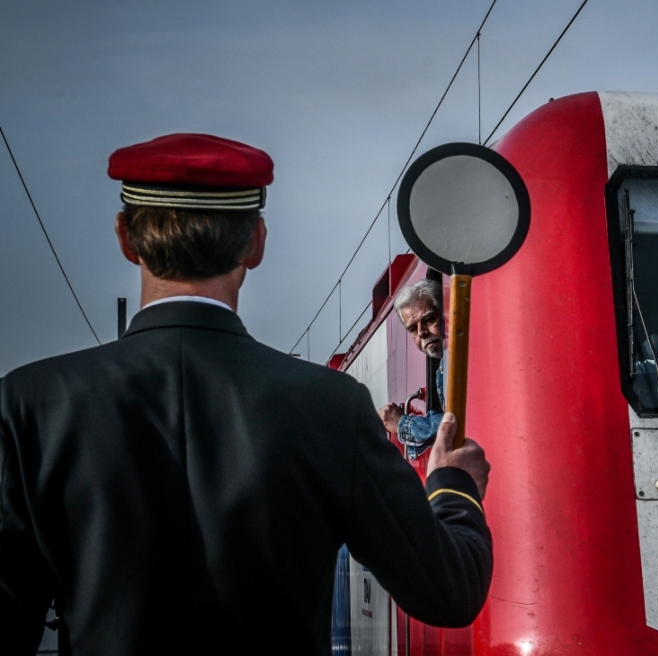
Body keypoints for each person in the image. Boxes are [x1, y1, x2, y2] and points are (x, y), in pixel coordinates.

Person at [0, 134, 492, 655]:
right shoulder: (330, 406)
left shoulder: (30, 405)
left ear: (125, 237)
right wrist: (452, 485)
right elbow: (449, 592)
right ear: (256, 242)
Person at [378, 278, 446, 460]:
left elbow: (462, 422)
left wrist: (402, 423)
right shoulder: (442, 368)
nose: (422, 332)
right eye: (413, 329)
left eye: (429, 319)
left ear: (446, 314)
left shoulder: (462, 359)